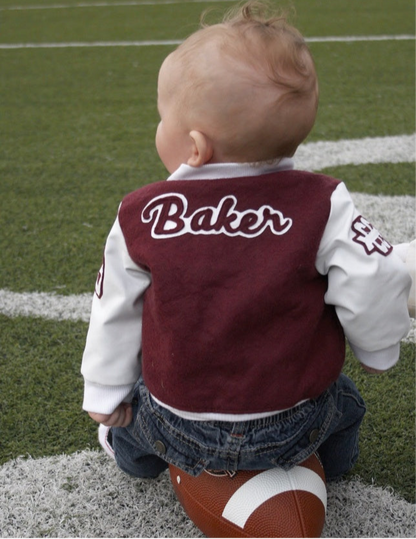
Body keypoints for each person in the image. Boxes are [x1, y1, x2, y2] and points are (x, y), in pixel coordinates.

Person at [81, 1, 412, 482]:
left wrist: (104, 391)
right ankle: (331, 468)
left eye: (160, 117)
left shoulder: (141, 212)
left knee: (134, 425)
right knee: (347, 407)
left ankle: (128, 453)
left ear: (195, 146)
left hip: (178, 420)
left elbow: (113, 304)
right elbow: (375, 276)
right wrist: (378, 350)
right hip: (293, 419)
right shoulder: (323, 201)